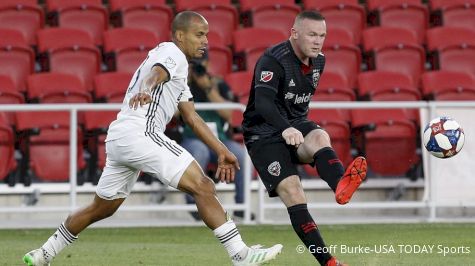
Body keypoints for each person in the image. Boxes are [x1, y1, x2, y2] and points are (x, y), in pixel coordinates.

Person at [23, 11, 282, 266]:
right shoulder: (172, 54)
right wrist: (146, 89)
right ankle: (241, 255)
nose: (205, 41)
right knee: (202, 185)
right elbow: (156, 74)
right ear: (180, 35)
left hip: (121, 137)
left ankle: (43, 253)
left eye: (207, 35)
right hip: (141, 133)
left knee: (102, 208)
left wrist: (221, 149)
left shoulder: (180, 71)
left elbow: (192, 117)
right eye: (199, 35)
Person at [242, 10, 367, 266]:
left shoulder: (319, 61)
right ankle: (329, 262)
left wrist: (292, 127)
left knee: (320, 136)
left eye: (322, 35)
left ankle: (341, 186)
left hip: (296, 124)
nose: (318, 41)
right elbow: (264, 104)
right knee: (293, 191)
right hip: (263, 132)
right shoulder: (272, 60)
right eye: (312, 34)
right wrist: (284, 128)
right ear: (294, 33)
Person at [181, 52, 250, 220]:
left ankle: (242, 206)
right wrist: (186, 82)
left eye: (200, 65)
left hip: (220, 139)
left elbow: (228, 114)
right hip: (193, 138)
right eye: (192, 65)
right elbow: (175, 114)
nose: (197, 68)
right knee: (199, 153)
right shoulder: (181, 84)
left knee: (241, 155)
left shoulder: (218, 84)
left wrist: (208, 87)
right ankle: (196, 207)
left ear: (208, 65)